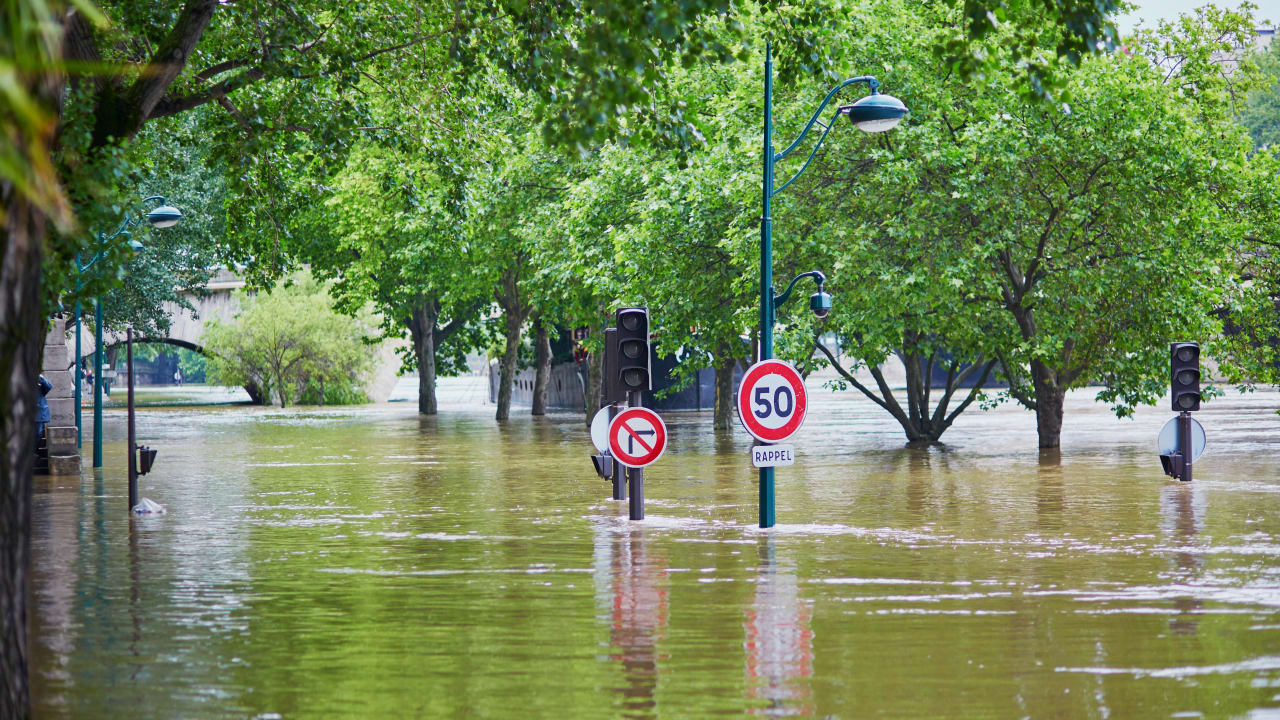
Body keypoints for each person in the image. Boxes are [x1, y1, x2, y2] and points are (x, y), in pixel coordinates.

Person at [35, 374, 51, 449]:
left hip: (38, 414)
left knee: (38, 433)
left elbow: (49, 386)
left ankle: (34, 450)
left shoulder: (41, 386)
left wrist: (41, 378)